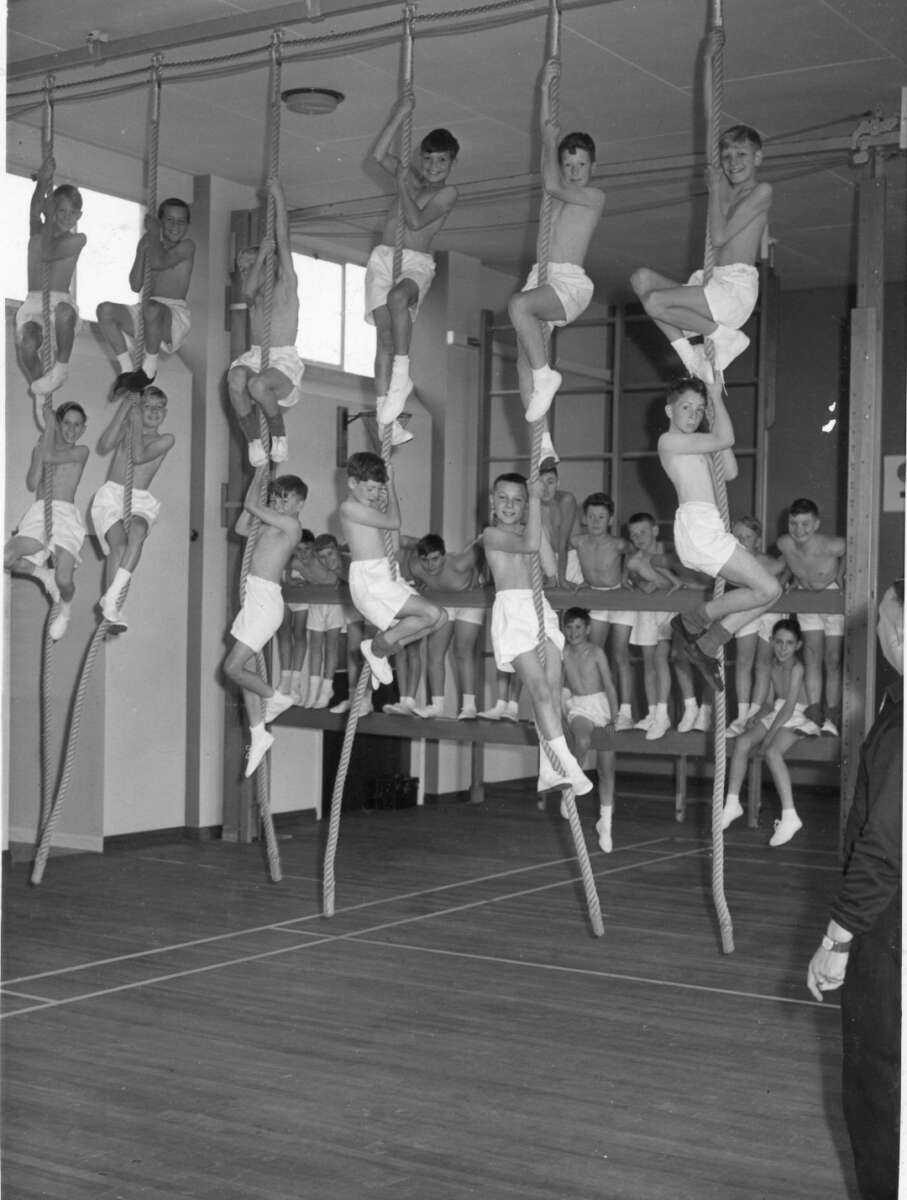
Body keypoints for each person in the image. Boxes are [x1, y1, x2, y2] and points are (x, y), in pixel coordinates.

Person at [805, 580, 903, 1200]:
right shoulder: (897, 704)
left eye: (888, 625)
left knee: (879, 1090)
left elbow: (886, 844)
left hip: (889, 932)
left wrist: (836, 939)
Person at [658, 377, 782, 692]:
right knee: (768, 588)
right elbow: (725, 437)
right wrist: (715, 395)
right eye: (685, 407)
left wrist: (713, 417)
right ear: (669, 410)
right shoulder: (668, 442)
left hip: (710, 526)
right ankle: (694, 622)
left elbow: (729, 471)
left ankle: (707, 642)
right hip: (698, 527)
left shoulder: (700, 443)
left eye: (699, 410)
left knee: (771, 592)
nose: (692, 415)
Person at [509, 60, 605, 459]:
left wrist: (550, 146)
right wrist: (545, 89)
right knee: (521, 360)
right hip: (542, 277)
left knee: (518, 305)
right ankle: (543, 443)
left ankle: (547, 375)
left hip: (567, 283)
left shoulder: (592, 196)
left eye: (581, 165)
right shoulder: (557, 193)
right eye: (569, 165)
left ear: (592, 167)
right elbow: (546, 134)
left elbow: (548, 169)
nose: (575, 171)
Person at [630, 122, 771, 380]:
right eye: (727, 156)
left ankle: (722, 340)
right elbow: (709, 128)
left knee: (654, 301)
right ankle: (695, 354)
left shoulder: (762, 192)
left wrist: (714, 189)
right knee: (641, 279)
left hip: (735, 290)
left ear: (758, 157)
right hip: (715, 283)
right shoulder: (726, 192)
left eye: (742, 155)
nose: (733, 162)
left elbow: (718, 237)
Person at [482, 472, 591, 796]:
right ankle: (568, 765)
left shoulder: (530, 529)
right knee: (540, 691)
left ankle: (547, 771)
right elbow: (527, 545)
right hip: (513, 615)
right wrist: (534, 501)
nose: (510, 505)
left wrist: (537, 515)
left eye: (518, 500)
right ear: (492, 501)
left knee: (554, 695)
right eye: (503, 498)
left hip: (538, 610)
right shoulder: (490, 534)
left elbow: (549, 568)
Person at [366, 94, 459, 431]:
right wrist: (399, 114)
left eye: (442, 162)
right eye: (429, 160)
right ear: (422, 158)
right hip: (384, 258)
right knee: (383, 340)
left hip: (415, 263)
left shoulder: (448, 193)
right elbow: (377, 155)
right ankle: (386, 419)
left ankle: (403, 375)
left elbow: (417, 221)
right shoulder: (413, 176)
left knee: (397, 299)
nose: (434, 168)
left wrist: (403, 182)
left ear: (452, 164)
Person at [223, 468, 308, 777]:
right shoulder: (267, 524)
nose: (279, 503)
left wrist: (259, 471)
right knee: (241, 672)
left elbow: (250, 506)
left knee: (231, 668)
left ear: (299, 504)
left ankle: (278, 697)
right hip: (252, 599)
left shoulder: (291, 526)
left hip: (267, 602)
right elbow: (242, 525)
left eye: (285, 499)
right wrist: (261, 491)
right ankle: (259, 734)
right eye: (276, 498)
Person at [339, 451, 446, 686]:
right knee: (431, 614)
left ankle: (383, 648)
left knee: (440, 619)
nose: (375, 494)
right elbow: (394, 522)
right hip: (371, 580)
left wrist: (384, 501)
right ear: (352, 483)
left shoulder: (371, 509)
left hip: (387, 573)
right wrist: (392, 487)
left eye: (379, 488)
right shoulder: (349, 508)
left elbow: (394, 543)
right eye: (370, 489)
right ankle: (378, 648)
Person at [227, 178, 303, 467]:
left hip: (282, 361)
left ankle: (279, 436)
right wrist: (258, 258)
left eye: (252, 266)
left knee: (258, 385)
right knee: (235, 379)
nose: (247, 273)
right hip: (258, 355)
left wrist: (279, 197)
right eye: (243, 269)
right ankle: (253, 440)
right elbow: (247, 289)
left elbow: (283, 240)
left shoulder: (285, 286)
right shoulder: (252, 297)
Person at [720, 618, 812, 845]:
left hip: (796, 716)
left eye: (789, 643)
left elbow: (790, 707)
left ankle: (790, 815)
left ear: (798, 645)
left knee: (771, 752)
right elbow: (770, 704)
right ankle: (732, 803)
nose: (783, 648)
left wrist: (767, 738)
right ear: (771, 642)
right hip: (776, 713)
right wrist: (756, 718)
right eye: (778, 642)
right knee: (742, 742)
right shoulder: (771, 664)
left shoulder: (798, 668)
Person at [90, 382, 175, 629]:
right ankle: (111, 604)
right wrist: (126, 409)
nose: (154, 411)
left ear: (165, 413)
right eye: (148, 406)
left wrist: (136, 420)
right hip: (112, 496)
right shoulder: (129, 426)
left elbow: (138, 457)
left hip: (139, 499)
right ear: (139, 407)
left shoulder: (166, 439)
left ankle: (111, 598)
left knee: (138, 531)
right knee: (120, 544)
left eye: (160, 408)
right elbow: (104, 445)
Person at [4, 398, 89, 641]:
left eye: (77, 425)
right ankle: (43, 575)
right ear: (60, 424)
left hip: (65, 514)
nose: (71, 430)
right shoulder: (41, 449)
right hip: (41, 511)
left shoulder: (81, 451)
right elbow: (32, 482)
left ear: (84, 428)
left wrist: (48, 431)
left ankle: (65, 610)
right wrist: (40, 450)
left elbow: (53, 457)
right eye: (66, 424)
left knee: (64, 579)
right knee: (7, 558)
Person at [97, 198, 194, 388]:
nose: (175, 226)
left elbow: (159, 262)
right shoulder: (149, 243)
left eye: (181, 221)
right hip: (147, 311)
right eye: (169, 220)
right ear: (160, 221)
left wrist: (155, 233)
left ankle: (149, 369)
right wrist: (143, 247)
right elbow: (135, 284)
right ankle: (126, 370)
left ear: (187, 225)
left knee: (152, 308)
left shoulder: (187, 246)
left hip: (172, 316)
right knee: (104, 310)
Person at [16, 156, 86, 416]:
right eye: (62, 211)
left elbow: (49, 252)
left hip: (59, 302)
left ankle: (61, 368)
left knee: (65, 313)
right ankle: (40, 390)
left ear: (79, 215)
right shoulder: (39, 230)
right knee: (27, 344)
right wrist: (42, 182)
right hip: (33, 301)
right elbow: (35, 210)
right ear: (54, 210)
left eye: (72, 212)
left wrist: (46, 205)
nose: (67, 217)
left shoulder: (78, 239)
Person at [777, 497, 846, 736]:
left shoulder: (832, 545)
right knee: (812, 656)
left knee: (833, 659)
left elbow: (851, 548)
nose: (799, 530)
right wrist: (787, 580)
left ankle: (832, 717)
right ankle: (815, 715)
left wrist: (843, 574)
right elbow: (790, 562)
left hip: (830, 595)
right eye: (794, 523)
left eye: (805, 524)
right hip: (805, 597)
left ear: (816, 524)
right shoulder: (784, 543)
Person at [569, 492, 635, 729]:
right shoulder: (578, 541)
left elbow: (635, 552)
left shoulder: (618, 543)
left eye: (601, 516)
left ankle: (625, 712)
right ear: (584, 518)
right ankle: (599, 708)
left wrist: (628, 576)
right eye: (591, 516)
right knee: (593, 653)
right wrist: (575, 579)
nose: (596, 521)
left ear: (610, 519)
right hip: (595, 598)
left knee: (620, 655)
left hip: (620, 598)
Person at [623, 512, 689, 741]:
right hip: (648, 612)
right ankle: (652, 714)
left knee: (664, 657)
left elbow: (681, 580)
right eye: (634, 535)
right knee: (649, 661)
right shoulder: (633, 560)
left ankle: (662, 714)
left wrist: (661, 582)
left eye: (643, 532)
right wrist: (642, 582)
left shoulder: (669, 551)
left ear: (655, 530)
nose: (639, 537)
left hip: (670, 611)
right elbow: (632, 579)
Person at [404, 533, 484, 719]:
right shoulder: (416, 567)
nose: (430, 566)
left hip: (470, 600)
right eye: (425, 560)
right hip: (445, 602)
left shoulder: (459, 562)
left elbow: (482, 541)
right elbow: (401, 540)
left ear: (444, 555)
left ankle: (469, 707)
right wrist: (421, 583)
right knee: (434, 652)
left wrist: (481, 575)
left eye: (435, 559)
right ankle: (437, 706)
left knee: (462, 651)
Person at [725, 516, 790, 736]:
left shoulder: (770, 563)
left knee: (763, 663)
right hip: (746, 611)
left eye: (748, 537)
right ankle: (741, 716)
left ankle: (753, 714)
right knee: (743, 661)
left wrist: (783, 582)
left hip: (769, 614)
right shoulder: (730, 563)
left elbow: (788, 564)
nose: (743, 542)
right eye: (738, 537)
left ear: (758, 540)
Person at [561, 607, 618, 850]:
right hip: (580, 707)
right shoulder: (563, 653)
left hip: (601, 706)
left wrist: (615, 717)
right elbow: (559, 687)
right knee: (582, 741)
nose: (573, 632)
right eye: (569, 627)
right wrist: (562, 714)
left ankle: (606, 824)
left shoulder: (596, 652)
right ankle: (571, 788)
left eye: (578, 627)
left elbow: (609, 684)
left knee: (606, 771)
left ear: (588, 629)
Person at [312, 533, 370, 716]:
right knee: (352, 653)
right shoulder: (336, 568)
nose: (327, 560)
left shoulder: (351, 565)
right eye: (322, 557)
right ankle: (354, 699)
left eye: (330, 554)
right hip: (355, 604)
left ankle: (366, 701)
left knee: (368, 654)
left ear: (337, 551)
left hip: (371, 605)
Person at [277, 532, 314, 703]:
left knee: (299, 634)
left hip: (303, 602)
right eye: (299, 549)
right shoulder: (285, 562)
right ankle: (285, 680)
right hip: (286, 600)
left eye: (307, 549)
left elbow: (318, 579)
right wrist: (288, 581)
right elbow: (279, 579)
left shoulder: (313, 564)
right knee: (284, 633)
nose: (303, 553)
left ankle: (295, 683)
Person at [538, 460, 578, 587]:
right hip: (545, 563)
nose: (545, 488)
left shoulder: (566, 500)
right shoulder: (532, 505)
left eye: (550, 482)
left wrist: (562, 578)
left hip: (568, 559)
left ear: (558, 483)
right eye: (540, 482)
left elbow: (563, 544)